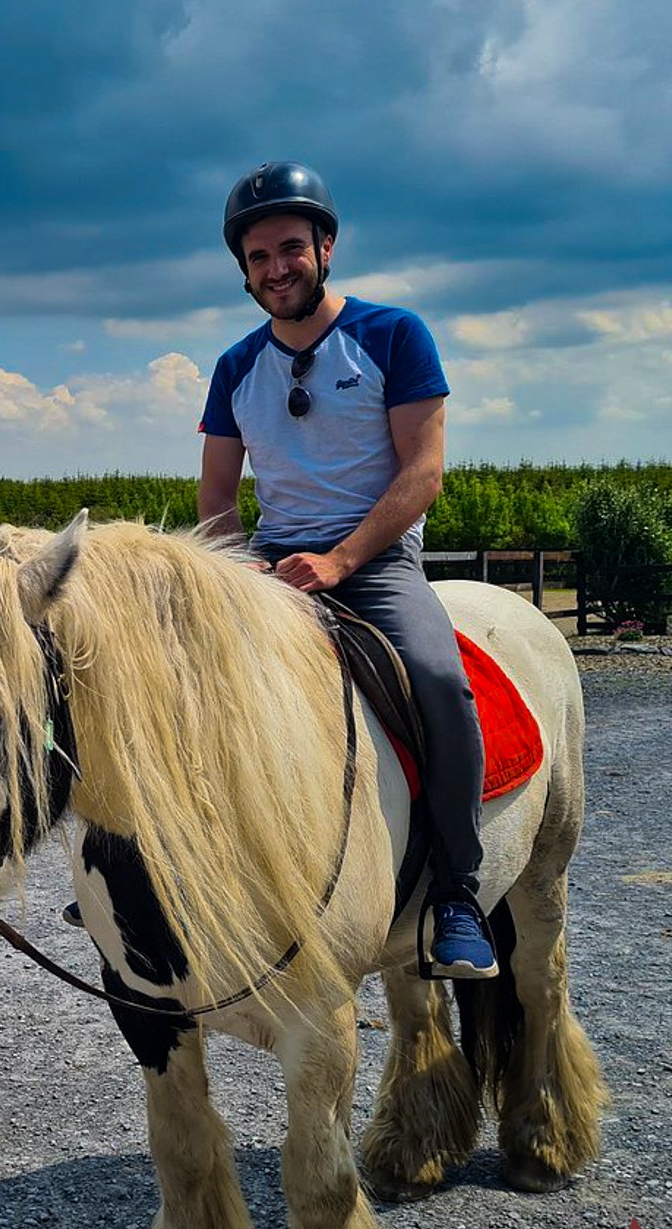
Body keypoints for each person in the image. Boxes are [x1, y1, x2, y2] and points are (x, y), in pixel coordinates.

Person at [197, 161, 497, 979]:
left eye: (290, 248)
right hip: (267, 565)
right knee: (167, 677)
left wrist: (339, 559)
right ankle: (165, 864)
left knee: (437, 677)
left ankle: (457, 892)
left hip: (370, 559)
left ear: (325, 247)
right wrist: (235, 573)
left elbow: (422, 472)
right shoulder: (234, 367)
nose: (275, 268)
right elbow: (218, 493)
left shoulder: (393, 335)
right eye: (257, 258)